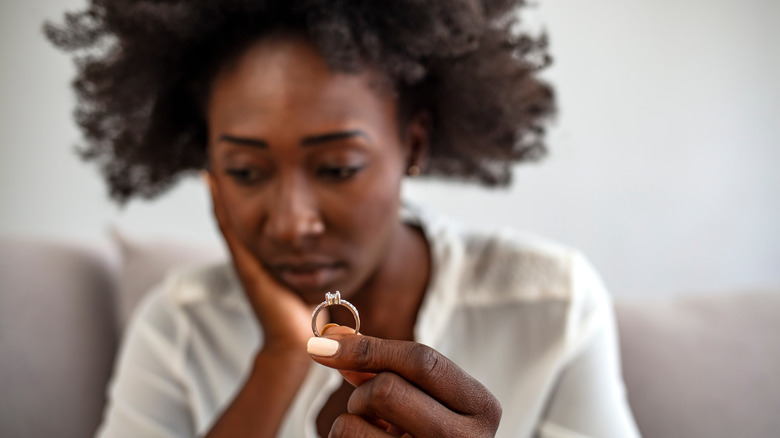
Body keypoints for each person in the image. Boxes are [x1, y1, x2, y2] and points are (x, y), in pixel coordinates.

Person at [47, 1, 640, 437]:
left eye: (336, 167)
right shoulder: (178, 328)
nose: (291, 223)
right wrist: (279, 358)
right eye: (247, 172)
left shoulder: (552, 305)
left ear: (413, 143)